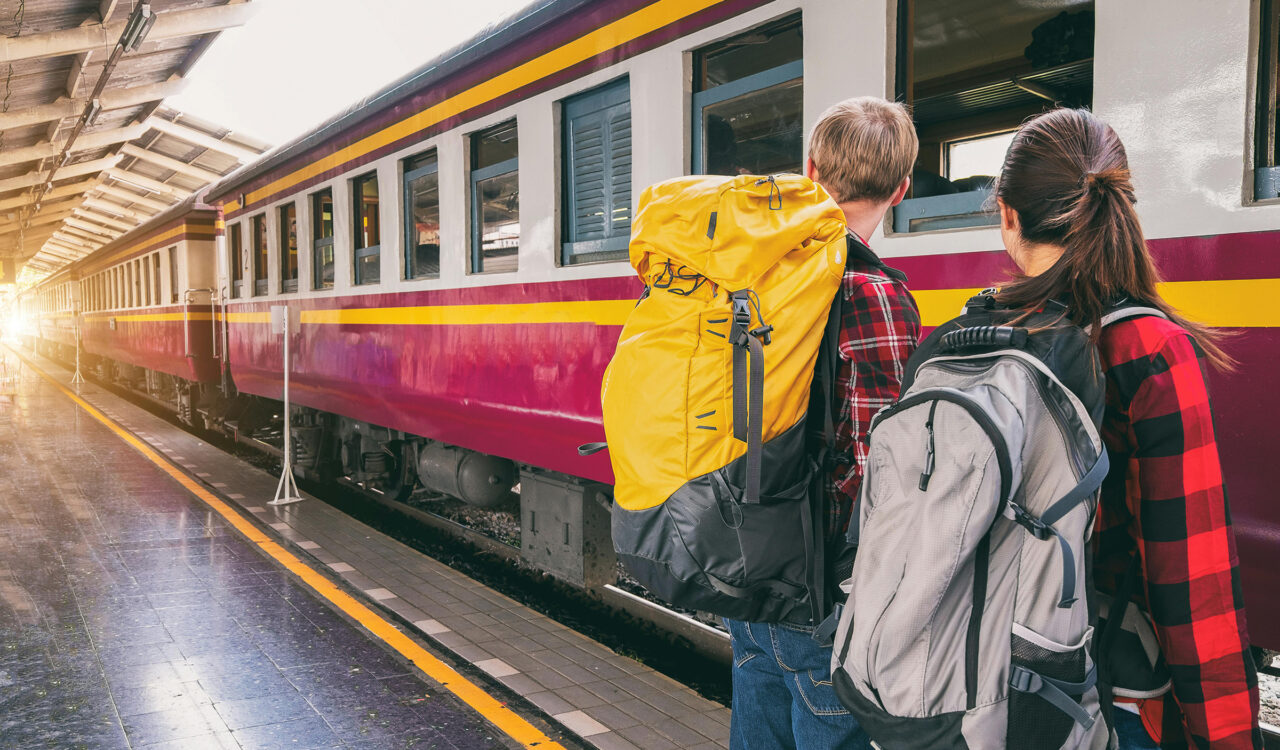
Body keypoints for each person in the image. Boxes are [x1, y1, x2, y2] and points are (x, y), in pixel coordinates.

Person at [992, 108, 1262, 749]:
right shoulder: (1148, 348)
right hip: (1106, 690)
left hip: (984, 678)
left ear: (1007, 215)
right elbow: (1190, 575)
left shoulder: (987, 337)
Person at [724, 97, 922, 750]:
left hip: (749, 566)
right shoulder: (873, 293)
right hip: (821, 591)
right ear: (902, 187)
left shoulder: (751, 277)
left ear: (809, 169)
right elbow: (878, 464)